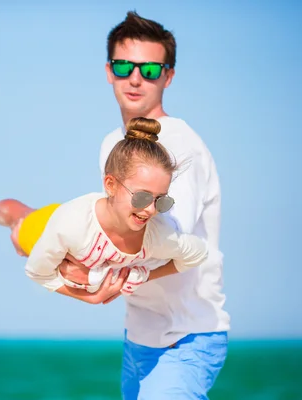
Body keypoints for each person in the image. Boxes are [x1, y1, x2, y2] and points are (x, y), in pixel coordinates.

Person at [57, 10, 230, 399]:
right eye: (124, 66)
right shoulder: (111, 145)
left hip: (186, 337)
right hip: (140, 336)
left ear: (167, 76)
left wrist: (89, 266)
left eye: (150, 70)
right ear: (108, 71)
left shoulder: (181, 146)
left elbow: (166, 238)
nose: (135, 78)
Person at [0, 117, 208, 305]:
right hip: (52, 226)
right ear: (110, 185)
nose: (151, 210)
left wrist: (141, 276)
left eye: (161, 201)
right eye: (142, 197)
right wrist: (91, 297)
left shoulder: (158, 235)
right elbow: (37, 272)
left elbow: (196, 254)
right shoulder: (71, 226)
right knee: (18, 220)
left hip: (78, 234)